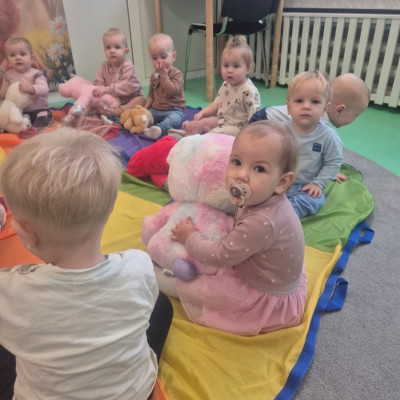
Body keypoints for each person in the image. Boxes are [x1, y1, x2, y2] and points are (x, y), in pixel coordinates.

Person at [0, 128, 173, 400]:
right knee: (161, 304)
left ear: (27, 233)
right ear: (111, 209)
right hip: (135, 394)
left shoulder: (9, 292)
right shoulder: (139, 265)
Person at [162, 120, 307, 336]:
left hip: (262, 297)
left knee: (201, 290)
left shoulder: (262, 222)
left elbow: (220, 256)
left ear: (282, 182)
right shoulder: (263, 199)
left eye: (259, 168)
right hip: (273, 273)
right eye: (237, 162)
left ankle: (160, 279)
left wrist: (190, 238)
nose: (241, 175)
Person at [249, 72, 370, 182]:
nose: (353, 120)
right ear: (339, 110)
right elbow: (305, 149)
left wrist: (329, 172)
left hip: (268, 116)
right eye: (355, 116)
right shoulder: (318, 120)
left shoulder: (316, 117)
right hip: (262, 122)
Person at [284, 70, 343, 219]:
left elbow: (334, 162)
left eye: (315, 102)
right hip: (281, 182)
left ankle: (285, 216)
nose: (306, 106)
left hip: (307, 186)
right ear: (289, 107)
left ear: (324, 110)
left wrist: (319, 183)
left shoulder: (328, 136)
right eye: (299, 101)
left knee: (313, 201)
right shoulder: (281, 130)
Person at [176, 35, 261, 137]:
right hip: (222, 121)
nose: (229, 70)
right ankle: (189, 132)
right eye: (226, 65)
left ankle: (199, 140)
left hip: (238, 128)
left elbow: (255, 119)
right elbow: (216, 103)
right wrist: (202, 113)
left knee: (215, 134)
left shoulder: (249, 91)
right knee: (204, 122)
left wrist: (250, 137)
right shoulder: (226, 84)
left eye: (236, 66)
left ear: (248, 69)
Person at [0, 36, 52, 133]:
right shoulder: (8, 76)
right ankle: (20, 130)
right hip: (21, 112)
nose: (18, 58)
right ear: (8, 61)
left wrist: (32, 88)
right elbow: (4, 94)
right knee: (13, 124)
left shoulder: (36, 74)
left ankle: (35, 130)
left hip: (39, 110)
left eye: (22, 54)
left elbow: (45, 89)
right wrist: (4, 93)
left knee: (44, 119)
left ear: (31, 59)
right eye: (12, 55)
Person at [142, 33, 186, 139]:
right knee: (143, 117)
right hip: (156, 110)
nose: (159, 61)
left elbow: (172, 92)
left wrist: (164, 76)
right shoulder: (153, 76)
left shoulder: (177, 74)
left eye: (163, 57)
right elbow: (150, 96)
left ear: (173, 56)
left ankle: (159, 129)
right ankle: (139, 125)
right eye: (154, 58)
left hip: (174, 110)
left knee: (175, 120)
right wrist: (144, 109)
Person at [93, 28, 145, 116]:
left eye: (117, 47)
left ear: (126, 51)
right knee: (96, 101)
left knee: (140, 100)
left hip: (130, 98)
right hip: (112, 100)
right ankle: (108, 111)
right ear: (104, 51)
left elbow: (127, 85)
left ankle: (119, 111)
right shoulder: (103, 66)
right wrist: (99, 90)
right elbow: (98, 84)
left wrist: (107, 89)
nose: (112, 51)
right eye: (108, 48)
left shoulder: (127, 66)